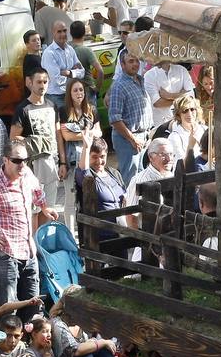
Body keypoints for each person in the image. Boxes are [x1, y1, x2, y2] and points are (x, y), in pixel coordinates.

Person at [0, 139, 57, 314]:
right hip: (5, 255)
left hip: (29, 252)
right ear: (5, 160)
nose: (22, 164)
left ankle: (28, 333)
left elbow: (38, 191)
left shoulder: (27, 174)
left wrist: (44, 207)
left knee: (32, 307)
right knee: (7, 312)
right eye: (17, 160)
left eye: (25, 160)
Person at [11, 60, 61, 211]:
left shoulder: (52, 105)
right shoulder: (23, 109)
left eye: (45, 82)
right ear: (30, 83)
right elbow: (13, 138)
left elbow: (58, 134)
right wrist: (32, 142)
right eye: (39, 82)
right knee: (34, 209)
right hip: (33, 164)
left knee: (49, 207)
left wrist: (63, 162)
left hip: (53, 160)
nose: (42, 85)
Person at [57, 79, 98, 230]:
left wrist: (80, 134)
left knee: (89, 196)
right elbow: (66, 136)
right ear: (69, 93)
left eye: (81, 90)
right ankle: (70, 233)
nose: (79, 93)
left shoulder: (91, 109)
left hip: (90, 159)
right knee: (71, 198)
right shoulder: (64, 111)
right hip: (72, 160)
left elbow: (99, 132)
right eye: (75, 90)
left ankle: (88, 230)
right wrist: (88, 134)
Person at [108, 51, 153, 184]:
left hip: (142, 138)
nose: (135, 64)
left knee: (142, 179)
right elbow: (114, 119)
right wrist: (132, 139)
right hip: (127, 140)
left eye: (137, 61)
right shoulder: (119, 86)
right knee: (131, 181)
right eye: (130, 61)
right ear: (122, 65)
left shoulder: (140, 80)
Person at [125, 138, 177, 230]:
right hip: (147, 233)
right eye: (163, 155)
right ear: (150, 157)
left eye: (171, 154)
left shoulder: (172, 176)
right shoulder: (139, 179)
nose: (169, 159)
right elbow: (131, 216)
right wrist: (139, 237)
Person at [40, 19, 80, 116]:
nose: (63, 34)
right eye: (59, 31)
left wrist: (68, 73)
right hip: (55, 97)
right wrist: (73, 73)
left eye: (64, 31)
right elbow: (57, 80)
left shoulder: (70, 49)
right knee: (62, 123)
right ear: (53, 33)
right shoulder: (49, 53)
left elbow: (82, 72)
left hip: (70, 94)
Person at [69, 20, 104, 110]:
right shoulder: (86, 50)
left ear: (70, 33)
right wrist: (97, 88)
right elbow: (100, 71)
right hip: (87, 89)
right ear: (84, 33)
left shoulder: (66, 48)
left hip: (70, 89)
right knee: (90, 115)